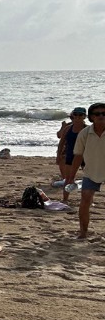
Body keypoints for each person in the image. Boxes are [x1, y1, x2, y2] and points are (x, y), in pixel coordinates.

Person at [66, 102, 105, 239]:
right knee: (85, 200)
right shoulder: (85, 133)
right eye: (97, 114)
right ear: (91, 117)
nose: (101, 116)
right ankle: (83, 232)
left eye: (104, 113)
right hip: (91, 171)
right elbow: (78, 155)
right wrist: (71, 176)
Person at [57, 107, 87, 203]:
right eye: (76, 114)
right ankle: (65, 199)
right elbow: (61, 143)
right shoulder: (68, 129)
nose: (78, 117)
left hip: (85, 157)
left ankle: (87, 199)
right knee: (69, 179)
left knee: (89, 179)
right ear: (73, 115)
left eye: (80, 115)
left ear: (84, 116)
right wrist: (59, 156)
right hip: (71, 155)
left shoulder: (88, 129)